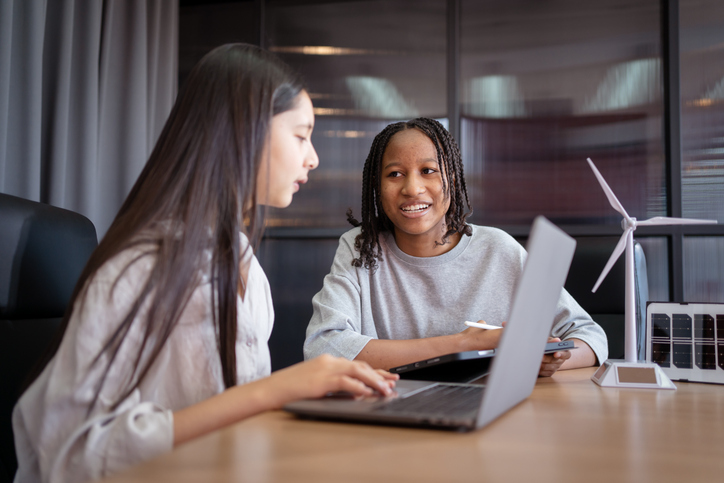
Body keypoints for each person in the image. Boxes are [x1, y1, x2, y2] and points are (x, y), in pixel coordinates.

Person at [12, 44, 397, 483]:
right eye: (300, 135)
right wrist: (275, 391)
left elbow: (229, 416)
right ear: (243, 131)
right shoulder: (140, 269)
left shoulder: (245, 263)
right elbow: (71, 452)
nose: (313, 157)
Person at [304, 117, 608, 375]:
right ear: (377, 188)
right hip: (396, 418)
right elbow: (323, 350)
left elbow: (590, 337)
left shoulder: (498, 249)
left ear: (453, 179)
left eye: (429, 171)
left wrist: (541, 361)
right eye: (395, 174)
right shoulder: (360, 248)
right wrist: (465, 345)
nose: (412, 188)